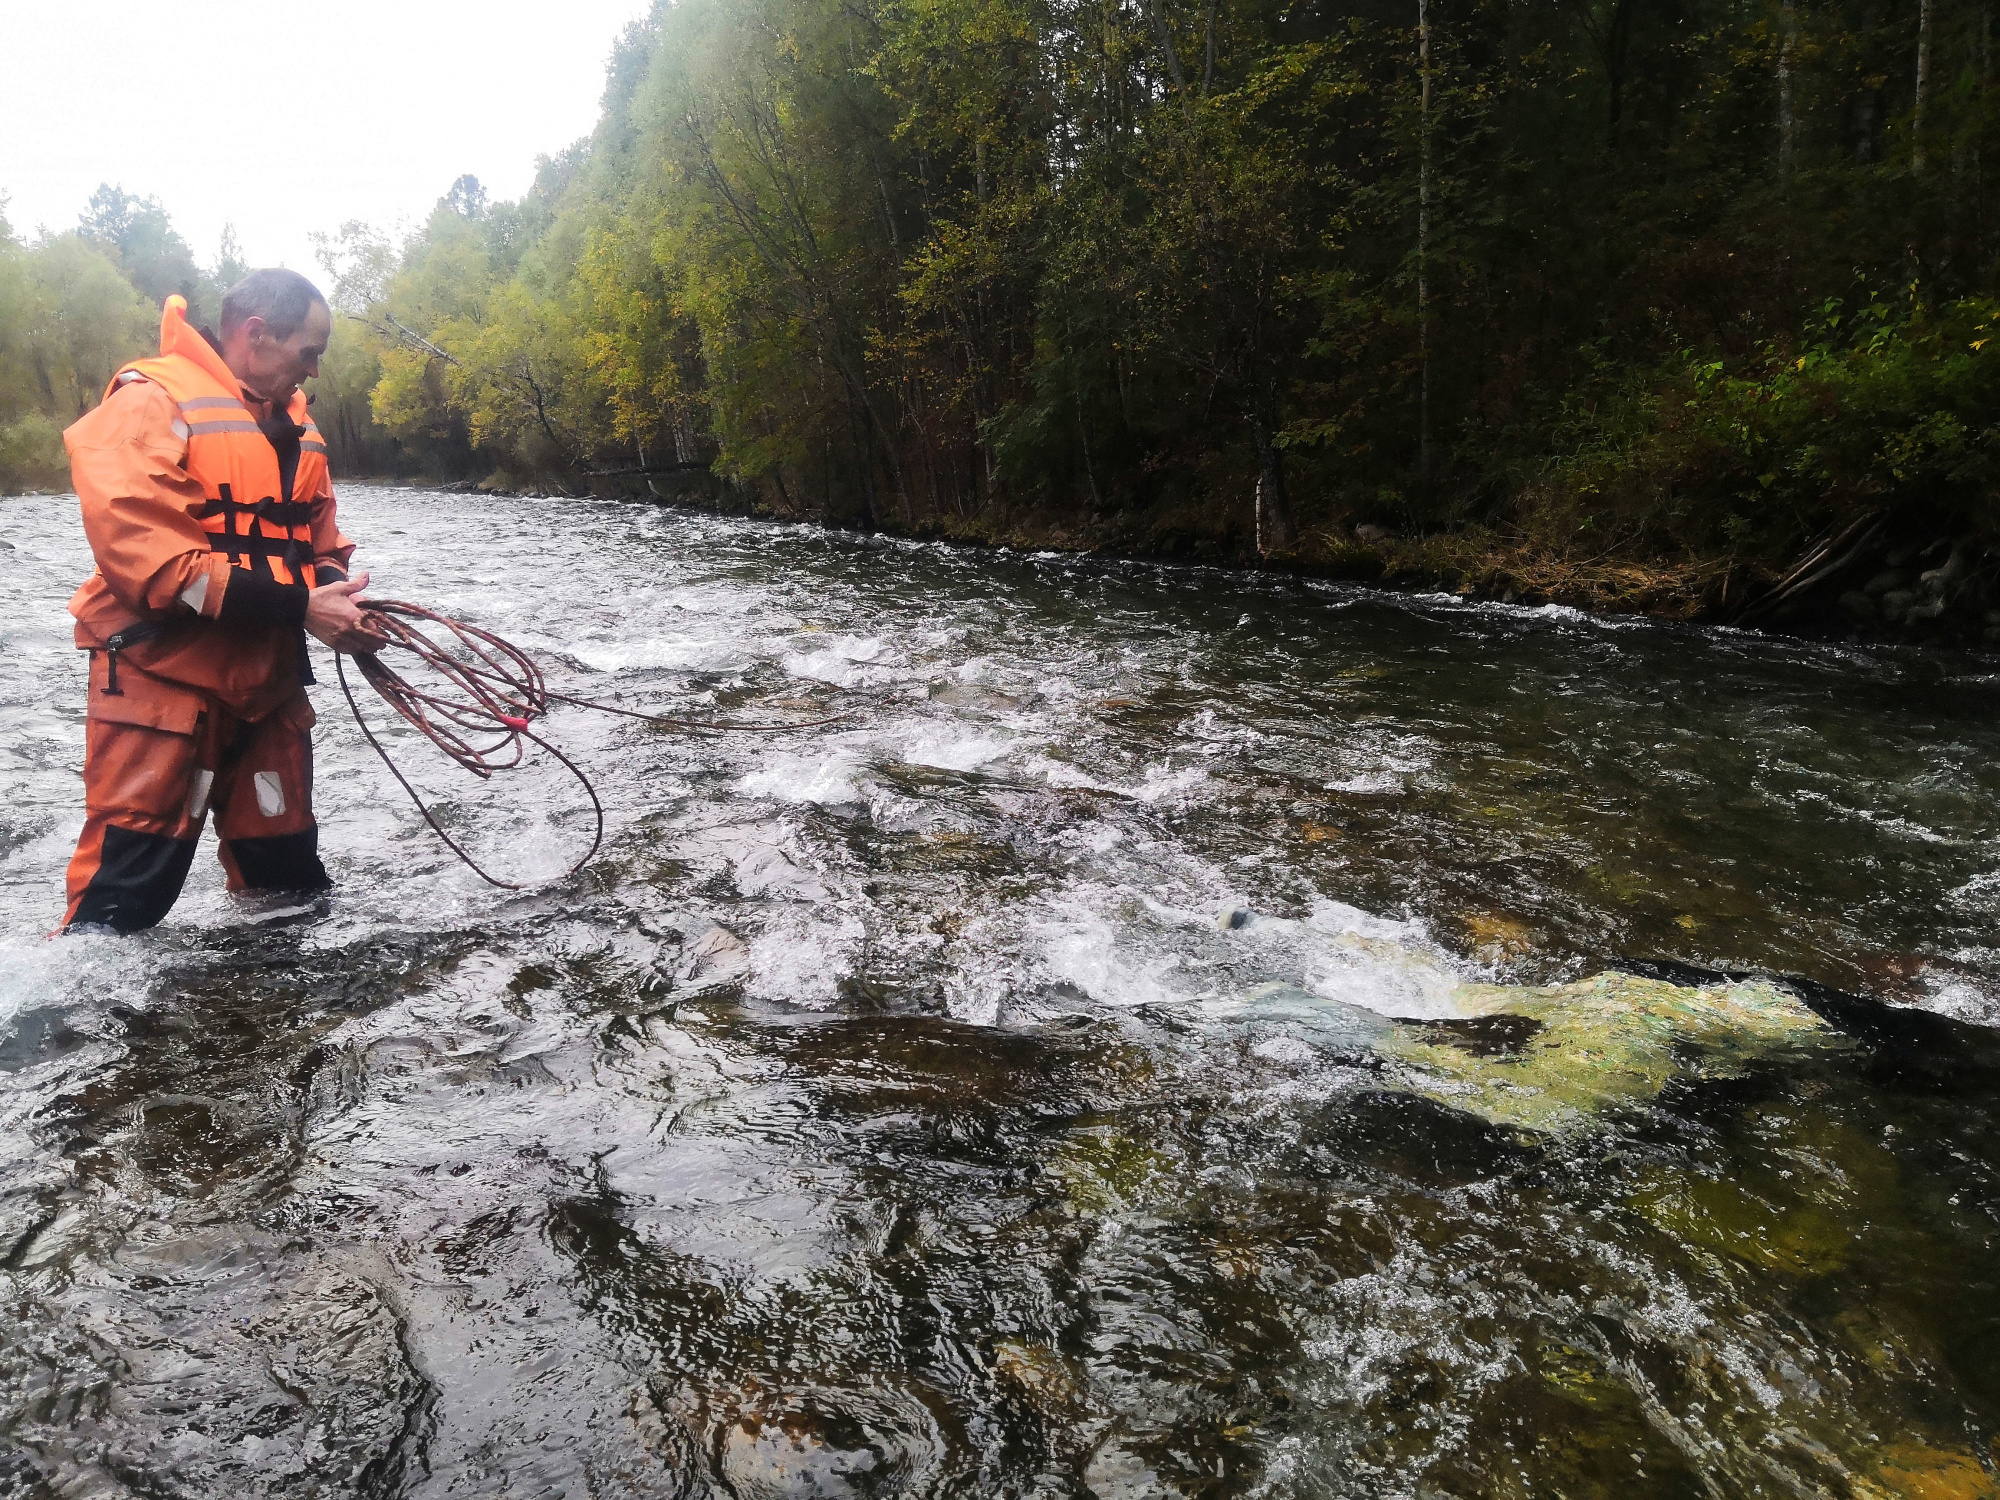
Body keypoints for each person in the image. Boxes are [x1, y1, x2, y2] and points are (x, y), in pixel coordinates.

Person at [60, 269, 380, 933]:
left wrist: (335, 600)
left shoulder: (294, 420)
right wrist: (301, 610)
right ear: (257, 334)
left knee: (289, 889)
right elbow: (160, 567)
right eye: (308, 352)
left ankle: (278, 1029)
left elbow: (320, 541)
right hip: (163, 687)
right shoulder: (149, 402)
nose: (314, 371)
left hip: (267, 694)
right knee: (125, 898)